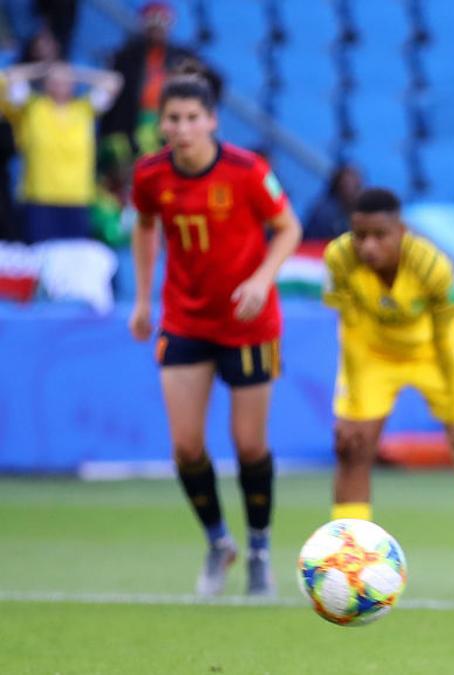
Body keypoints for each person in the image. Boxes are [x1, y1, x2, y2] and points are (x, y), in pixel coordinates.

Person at [128, 73, 302, 596]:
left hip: (249, 323)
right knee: (185, 447)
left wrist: (261, 278)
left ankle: (259, 549)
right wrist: (141, 299)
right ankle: (217, 541)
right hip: (185, 319)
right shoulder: (150, 175)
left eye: (192, 118)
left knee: (249, 445)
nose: (182, 129)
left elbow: (289, 227)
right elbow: (143, 226)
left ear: (212, 121)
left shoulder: (248, 170)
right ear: (161, 124)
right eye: (173, 119)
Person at [323, 187, 454, 600]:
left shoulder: (429, 262)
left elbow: (452, 337)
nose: (368, 246)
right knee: (352, 449)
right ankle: (347, 565)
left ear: (401, 231)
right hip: (374, 354)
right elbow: (352, 330)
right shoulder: (338, 258)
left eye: (380, 235)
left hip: (437, 354)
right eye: (360, 235)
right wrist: (353, 407)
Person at [0, 60, 122, 242]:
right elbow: (5, 80)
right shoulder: (31, 108)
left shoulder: (85, 109)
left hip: (77, 199)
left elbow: (114, 81)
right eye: (54, 80)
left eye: (65, 80)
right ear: (46, 83)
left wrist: (75, 73)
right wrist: (42, 70)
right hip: (39, 199)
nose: (60, 84)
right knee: (40, 258)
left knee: (74, 261)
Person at [102, 2, 212, 164]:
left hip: (167, 122)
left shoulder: (182, 57)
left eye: (162, 23)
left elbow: (213, 82)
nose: (157, 29)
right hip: (132, 123)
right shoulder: (126, 57)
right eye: (153, 23)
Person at [303, 164, 362, 240]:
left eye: (355, 185)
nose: (350, 189)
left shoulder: (362, 210)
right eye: (346, 185)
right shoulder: (324, 213)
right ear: (337, 185)